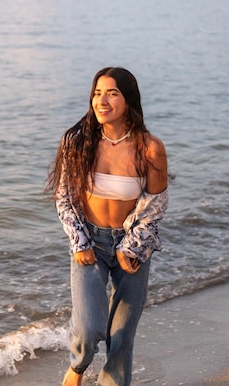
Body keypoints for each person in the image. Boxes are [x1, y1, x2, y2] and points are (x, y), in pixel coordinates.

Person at [46, 67, 169, 386]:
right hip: (91, 242)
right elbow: (64, 197)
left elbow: (155, 205)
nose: (102, 100)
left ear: (128, 100)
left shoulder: (149, 148)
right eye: (98, 92)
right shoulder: (76, 142)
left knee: (121, 336)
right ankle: (77, 367)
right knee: (89, 329)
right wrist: (80, 242)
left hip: (134, 246)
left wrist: (132, 246)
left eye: (112, 93)